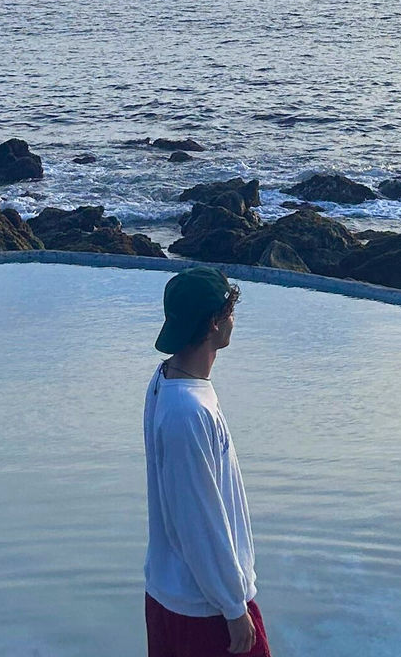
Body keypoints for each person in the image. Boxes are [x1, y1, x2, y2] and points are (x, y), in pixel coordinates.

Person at [144, 266, 271, 656]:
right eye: (230, 312)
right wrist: (233, 607)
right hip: (206, 609)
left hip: (177, 595)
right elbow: (197, 520)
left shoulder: (166, 378)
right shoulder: (188, 411)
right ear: (215, 323)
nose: (234, 320)